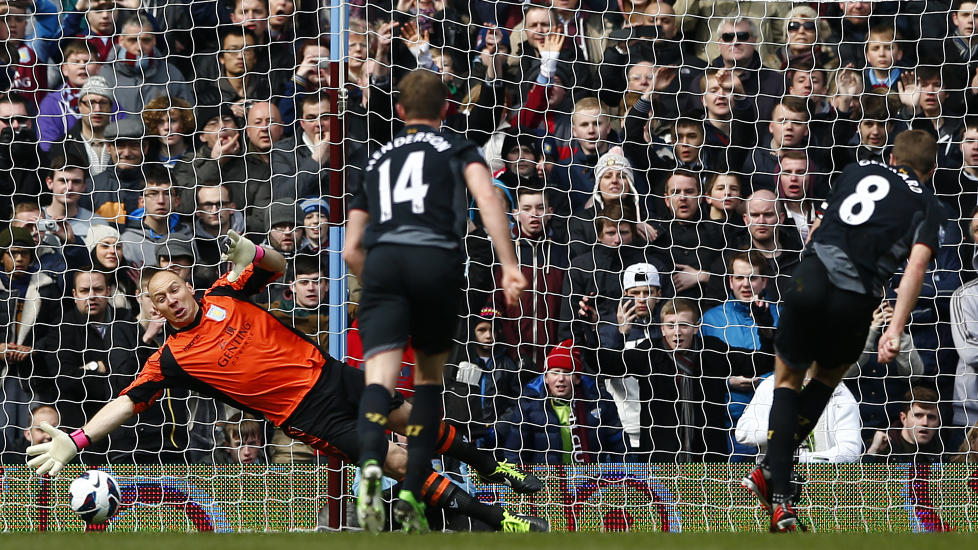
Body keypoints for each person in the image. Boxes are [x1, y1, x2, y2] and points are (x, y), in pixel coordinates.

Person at [25, 231, 546, 532]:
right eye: (161, 298)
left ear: (189, 285)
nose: (173, 299)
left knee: (415, 423)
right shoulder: (171, 358)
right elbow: (126, 402)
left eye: (177, 288)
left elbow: (274, 264)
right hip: (306, 416)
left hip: (332, 375)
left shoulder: (226, 294)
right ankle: (502, 522)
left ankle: (488, 464)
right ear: (154, 308)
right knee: (396, 459)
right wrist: (77, 439)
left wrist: (252, 251)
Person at [343, 69, 527, 533]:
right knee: (426, 386)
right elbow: (488, 199)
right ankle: (409, 493)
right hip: (434, 261)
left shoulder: (377, 157)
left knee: (378, 386)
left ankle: (369, 468)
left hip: (383, 266)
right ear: (446, 109)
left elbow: (349, 249)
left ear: (400, 111)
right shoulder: (458, 147)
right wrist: (508, 264)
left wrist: (384, 286)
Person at [742, 130, 946, 532]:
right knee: (827, 379)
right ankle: (774, 481)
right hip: (857, 298)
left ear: (890, 157)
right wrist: (896, 328)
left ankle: (776, 489)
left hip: (812, 278)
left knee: (786, 380)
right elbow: (916, 268)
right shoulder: (927, 204)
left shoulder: (856, 171)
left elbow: (820, 228)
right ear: (932, 170)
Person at [497, 340, 625, 465]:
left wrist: (620, 479)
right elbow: (514, 452)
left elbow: (620, 448)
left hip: (590, 478)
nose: (561, 379)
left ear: (577, 378)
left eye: (567, 373)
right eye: (555, 372)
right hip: (546, 479)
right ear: (546, 378)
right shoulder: (530, 403)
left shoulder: (599, 400)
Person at [863, 387, 945, 464]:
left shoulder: (943, 453)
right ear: (904, 418)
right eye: (918, 415)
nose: (925, 423)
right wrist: (872, 453)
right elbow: (856, 478)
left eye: (931, 417)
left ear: (939, 422)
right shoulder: (880, 448)